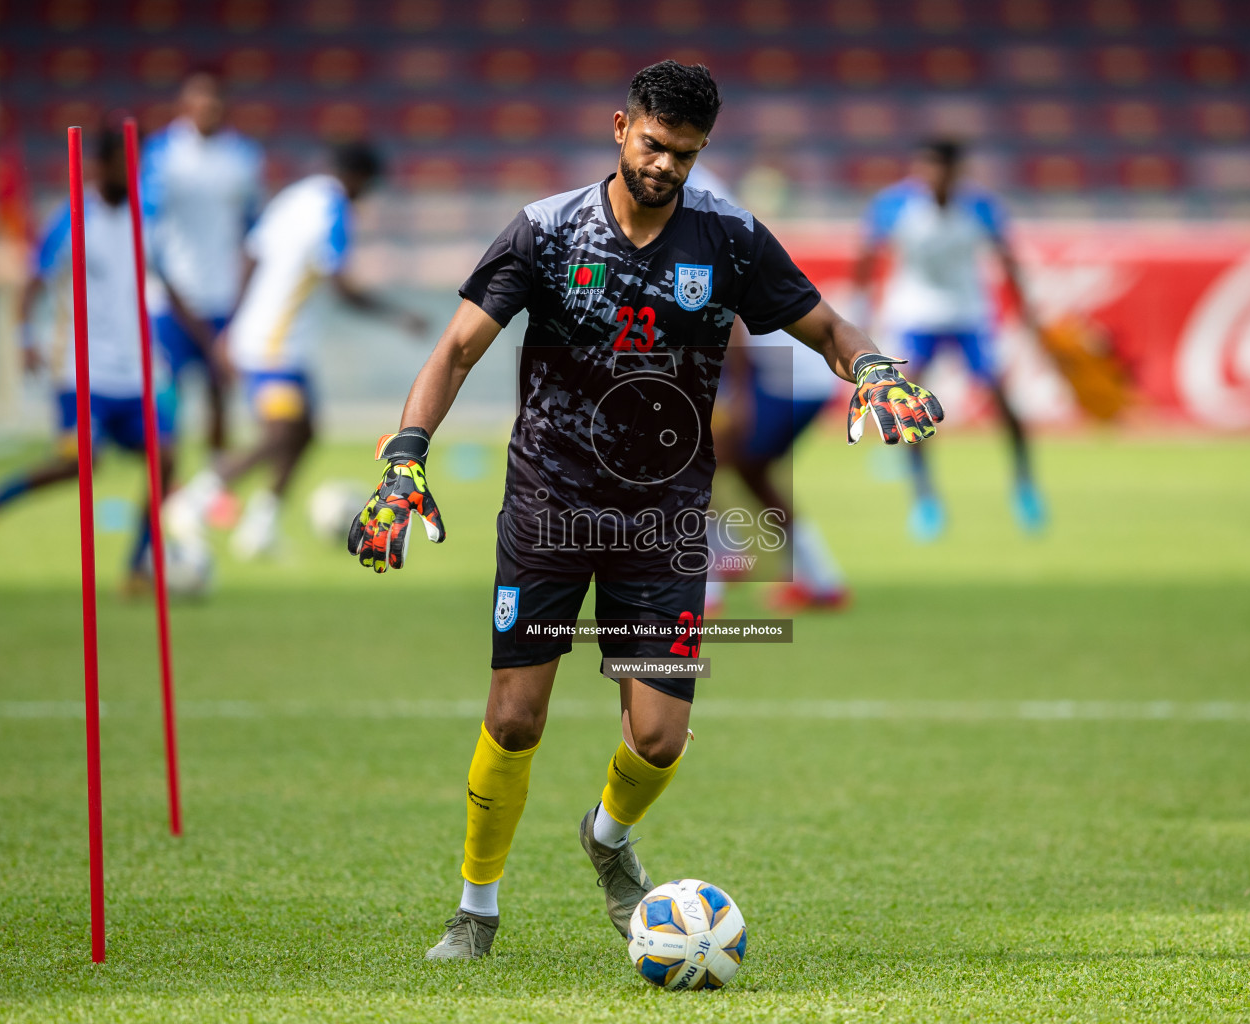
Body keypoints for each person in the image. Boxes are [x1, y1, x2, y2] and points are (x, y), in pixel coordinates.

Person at [345, 61, 942, 960]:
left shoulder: (730, 239)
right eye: (653, 145)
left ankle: (608, 836)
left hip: (664, 516)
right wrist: (403, 458)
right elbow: (458, 348)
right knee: (515, 718)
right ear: (621, 127)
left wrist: (872, 368)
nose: (664, 166)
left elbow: (824, 325)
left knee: (658, 739)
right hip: (549, 503)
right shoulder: (545, 231)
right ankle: (477, 908)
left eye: (685, 154)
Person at [164, 141, 424, 560]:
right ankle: (192, 502)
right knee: (281, 433)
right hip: (274, 343)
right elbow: (341, 287)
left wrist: (233, 322)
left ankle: (260, 526)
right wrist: (397, 316)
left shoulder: (295, 197)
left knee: (304, 433)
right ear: (356, 178)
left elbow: (251, 253)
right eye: (367, 187)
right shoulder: (334, 207)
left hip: (273, 335)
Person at [0, 128, 173, 592]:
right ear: (99, 166)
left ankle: (138, 568)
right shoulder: (73, 220)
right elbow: (34, 281)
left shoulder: (145, 218)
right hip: (80, 369)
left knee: (167, 460)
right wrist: (23, 338)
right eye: (122, 163)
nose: (131, 172)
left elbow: (165, 280)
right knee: (79, 461)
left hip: (134, 371)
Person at [854, 138, 1045, 542]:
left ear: (957, 172)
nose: (933, 177)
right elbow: (867, 257)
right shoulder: (894, 205)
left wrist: (1027, 311)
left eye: (941, 169)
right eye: (927, 168)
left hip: (969, 314)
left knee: (1002, 400)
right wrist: (860, 309)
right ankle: (925, 501)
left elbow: (1007, 258)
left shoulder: (981, 207)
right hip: (914, 315)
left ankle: (1025, 487)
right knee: (906, 406)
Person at [687, 164, 848, 615]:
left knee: (697, 464)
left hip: (783, 379)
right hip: (802, 376)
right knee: (748, 473)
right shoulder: (718, 216)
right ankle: (822, 582)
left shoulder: (697, 222)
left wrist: (738, 396)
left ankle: (711, 583)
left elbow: (731, 317)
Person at [141, 67, 264, 457]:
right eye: (199, 98)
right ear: (185, 103)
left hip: (222, 296)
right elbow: (146, 225)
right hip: (169, 297)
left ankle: (213, 484)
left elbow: (252, 228)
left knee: (219, 395)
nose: (207, 107)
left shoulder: (242, 156)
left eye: (214, 99)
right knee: (169, 397)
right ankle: (169, 484)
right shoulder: (161, 154)